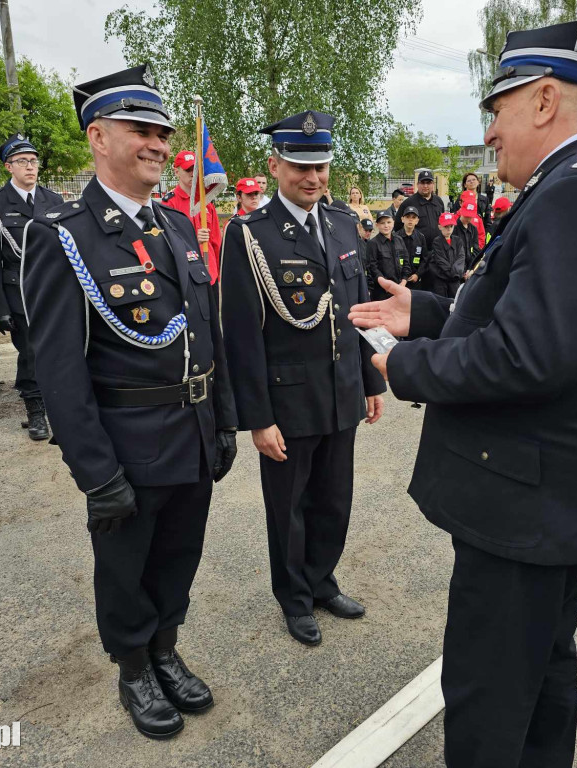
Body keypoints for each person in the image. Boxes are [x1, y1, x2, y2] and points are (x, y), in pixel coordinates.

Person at [349, 21, 577, 767]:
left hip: (530, 498)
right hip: (554, 492)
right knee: (542, 674)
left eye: (497, 109)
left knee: (492, 695)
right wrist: (427, 312)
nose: (489, 132)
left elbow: (526, 357)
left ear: (546, 100)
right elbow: (545, 317)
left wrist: (406, 366)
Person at [22, 64, 238, 740]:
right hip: (128, 447)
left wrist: (223, 420)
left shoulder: (177, 226)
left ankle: (166, 648)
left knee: (179, 557)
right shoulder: (64, 234)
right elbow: (59, 371)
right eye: (141, 129)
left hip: (193, 435)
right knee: (126, 569)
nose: (158, 142)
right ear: (98, 137)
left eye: (163, 131)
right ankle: (134, 667)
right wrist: (96, 473)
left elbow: (209, 332)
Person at [219, 109, 386, 647]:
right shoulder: (250, 235)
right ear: (275, 166)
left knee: (335, 499)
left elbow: (358, 309)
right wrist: (258, 419)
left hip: (341, 393)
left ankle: (322, 580)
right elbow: (241, 336)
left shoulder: (342, 224)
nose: (312, 177)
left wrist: (371, 382)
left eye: (320, 166)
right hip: (287, 403)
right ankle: (294, 598)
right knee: (288, 507)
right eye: (299, 167)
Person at [0, 134, 64, 441]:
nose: (30, 167)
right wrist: (0, 308)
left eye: (33, 161)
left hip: (52, 290)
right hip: (18, 292)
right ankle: (36, 412)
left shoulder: (53, 201)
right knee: (30, 353)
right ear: (8, 167)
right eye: (22, 162)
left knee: (57, 351)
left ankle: (58, 409)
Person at [162, 149, 223, 282]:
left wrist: (220, 273)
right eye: (188, 170)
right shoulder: (169, 203)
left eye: (195, 169)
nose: (192, 174)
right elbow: (167, 241)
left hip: (211, 272)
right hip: (187, 274)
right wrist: (194, 240)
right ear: (176, 172)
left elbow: (216, 241)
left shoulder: (206, 201)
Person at [364, 210, 410, 300]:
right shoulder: (373, 243)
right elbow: (372, 267)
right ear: (377, 225)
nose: (386, 226)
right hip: (382, 292)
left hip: (400, 288)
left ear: (393, 222)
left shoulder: (399, 240)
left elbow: (406, 263)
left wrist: (403, 282)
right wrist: (386, 285)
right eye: (382, 223)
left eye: (389, 222)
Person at [428, 212, 464, 297]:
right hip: (441, 279)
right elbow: (441, 261)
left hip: (455, 279)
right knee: (441, 302)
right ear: (440, 227)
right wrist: (454, 273)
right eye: (446, 226)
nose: (449, 229)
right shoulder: (437, 242)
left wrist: (456, 273)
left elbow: (461, 258)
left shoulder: (458, 240)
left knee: (455, 301)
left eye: (451, 226)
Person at [407, 169, 446, 248]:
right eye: (422, 183)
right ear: (417, 184)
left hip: (437, 248)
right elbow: (399, 226)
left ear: (433, 184)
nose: (425, 186)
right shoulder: (409, 203)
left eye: (428, 183)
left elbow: (442, 223)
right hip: (416, 249)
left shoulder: (439, 201)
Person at [396, 205, 429, 290]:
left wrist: (418, 274)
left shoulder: (421, 237)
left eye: (413, 217)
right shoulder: (395, 237)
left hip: (414, 280)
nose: (410, 220)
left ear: (417, 221)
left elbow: (425, 259)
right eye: (407, 217)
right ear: (402, 219)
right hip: (398, 280)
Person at [454, 200, 483, 271]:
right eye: (466, 216)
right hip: (457, 268)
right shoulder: (453, 228)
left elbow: (476, 250)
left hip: (470, 268)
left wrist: (471, 268)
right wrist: (462, 269)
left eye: (470, 217)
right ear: (461, 212)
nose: (468, 219)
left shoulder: (473, 229)